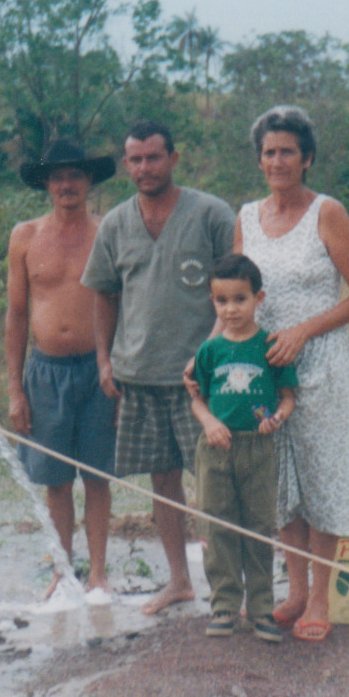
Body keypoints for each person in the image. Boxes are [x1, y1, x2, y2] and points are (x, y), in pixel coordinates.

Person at [234, 106, 349, 642]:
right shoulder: (247, 217)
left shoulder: (328, 212)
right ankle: (293, 591)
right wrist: (215, 352)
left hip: (319, 363)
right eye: (269, 151)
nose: (277, 161)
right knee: (280, 480)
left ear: (307, 157)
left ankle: (321, 597)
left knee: (321, 472)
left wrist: (304, 331)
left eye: (287, 151)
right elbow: (233, 292)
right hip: (264, 366)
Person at [82, 120, 236, 614]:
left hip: (202, 378)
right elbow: (104, 294)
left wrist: (212, 355)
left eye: (153, 157)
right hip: (139, 375)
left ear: (173, 157)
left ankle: (232, 588)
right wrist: (105, 359)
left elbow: (237, 292)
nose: (144, 168)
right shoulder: (114, 224)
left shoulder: (211, 214)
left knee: (218, 482)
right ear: (126, 164)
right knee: (163, 483)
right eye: (135, 159)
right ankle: (178, 581)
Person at [6, 138, 120, 597]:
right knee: (55, 480)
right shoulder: (26, 236)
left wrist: (118, 372)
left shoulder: (108, 231)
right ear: (46, 184)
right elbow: (16, 314)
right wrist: (15, 389)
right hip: (45, 372)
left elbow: (122, 304)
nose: (67, 184)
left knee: (97, 476)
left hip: (100, 371)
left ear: (89, 180)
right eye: (58, 176)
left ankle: (98, 572)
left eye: (75, 175)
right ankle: (61, 570)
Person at [189, 254, 298, 642]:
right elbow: (197, 398)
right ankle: (223, 605)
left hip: (259, 449)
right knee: (216, 526)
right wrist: (210, 422)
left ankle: (262, 609)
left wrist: (278, 418)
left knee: (258, 528)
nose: (231, 309)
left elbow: (288, 398)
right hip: (216, 450)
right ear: (212, 302)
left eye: (240, 299)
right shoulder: (209, 351)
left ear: (259, 298)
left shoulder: (270, 346)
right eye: (222, 301)